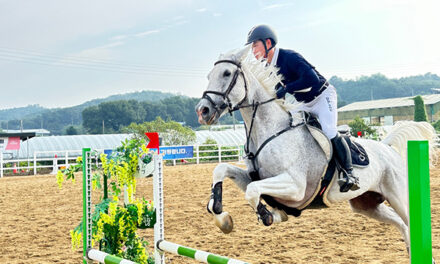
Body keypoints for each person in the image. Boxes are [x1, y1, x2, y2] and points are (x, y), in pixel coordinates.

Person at [246, 24, 360, 192]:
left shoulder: (289, 57)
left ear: (268, 43)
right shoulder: (268, 66)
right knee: (287, 125)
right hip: (304, 103)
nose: (252, 50)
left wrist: (287, 88)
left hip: (322, 96)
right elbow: (279, 94)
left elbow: (311, 79)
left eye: (255, 45)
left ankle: (349, 173)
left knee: (329, 130)